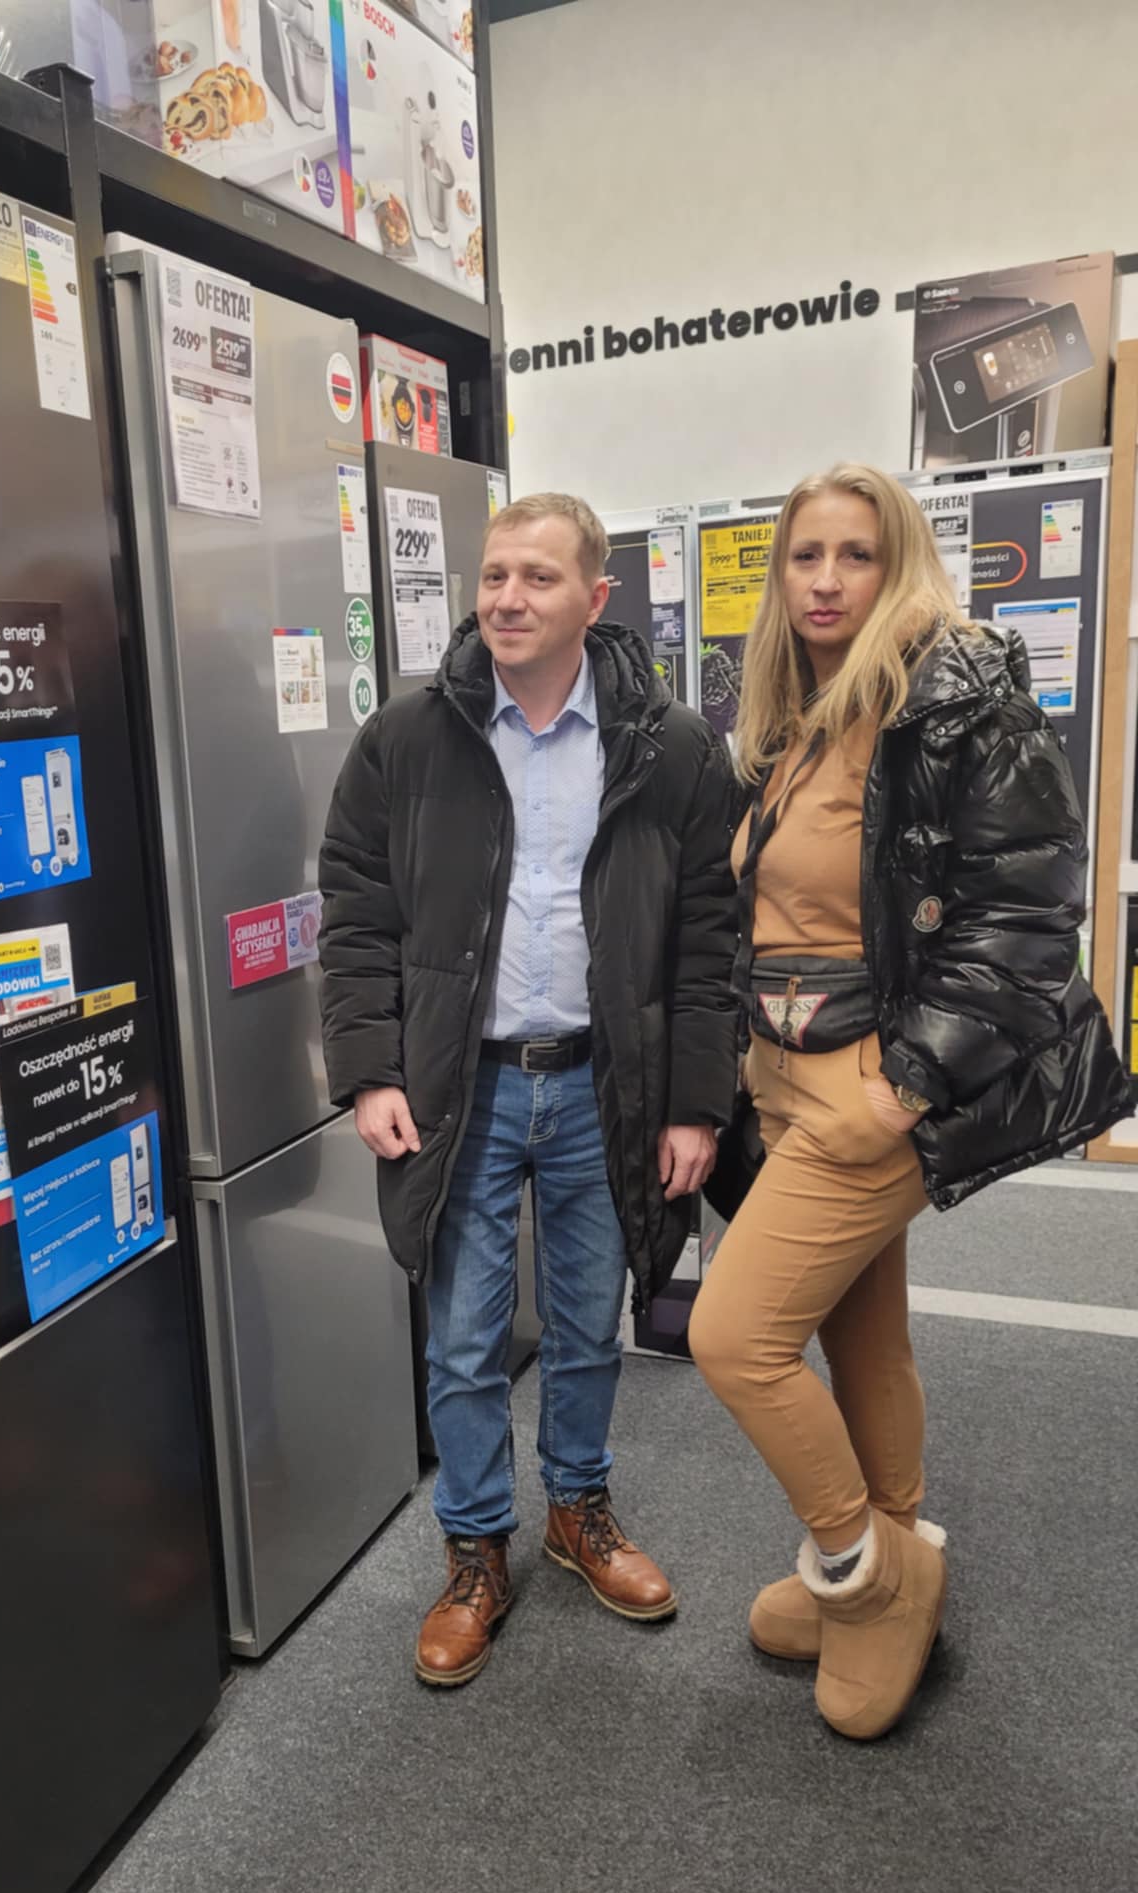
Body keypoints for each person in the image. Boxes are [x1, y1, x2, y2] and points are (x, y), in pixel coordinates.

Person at [688, 463, 1131, 1742]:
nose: (826, 580)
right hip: (785, 1074)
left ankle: (866, 1576)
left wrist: (906, 1087)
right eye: (805, 555)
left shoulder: (957, 701)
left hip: (873, 1088)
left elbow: (1029, 919)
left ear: (902, 565)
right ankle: (894, 1542)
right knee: (860, 1335)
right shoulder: (795, 714)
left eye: (857, 554)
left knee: (735, 1336)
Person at [318, 492, 738, 1686]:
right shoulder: (410, 738)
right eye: (495, 573)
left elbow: (710, 936)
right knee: (463, 1339)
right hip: (465, 1085)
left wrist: (695, 1100)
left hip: (609, 1081)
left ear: (594, 598)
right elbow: (356, 909)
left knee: (590, 1323)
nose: (507, 597)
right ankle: (473, 1549)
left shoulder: (668, 746)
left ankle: (577, 1509)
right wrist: (369, 1069)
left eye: (538, 578)